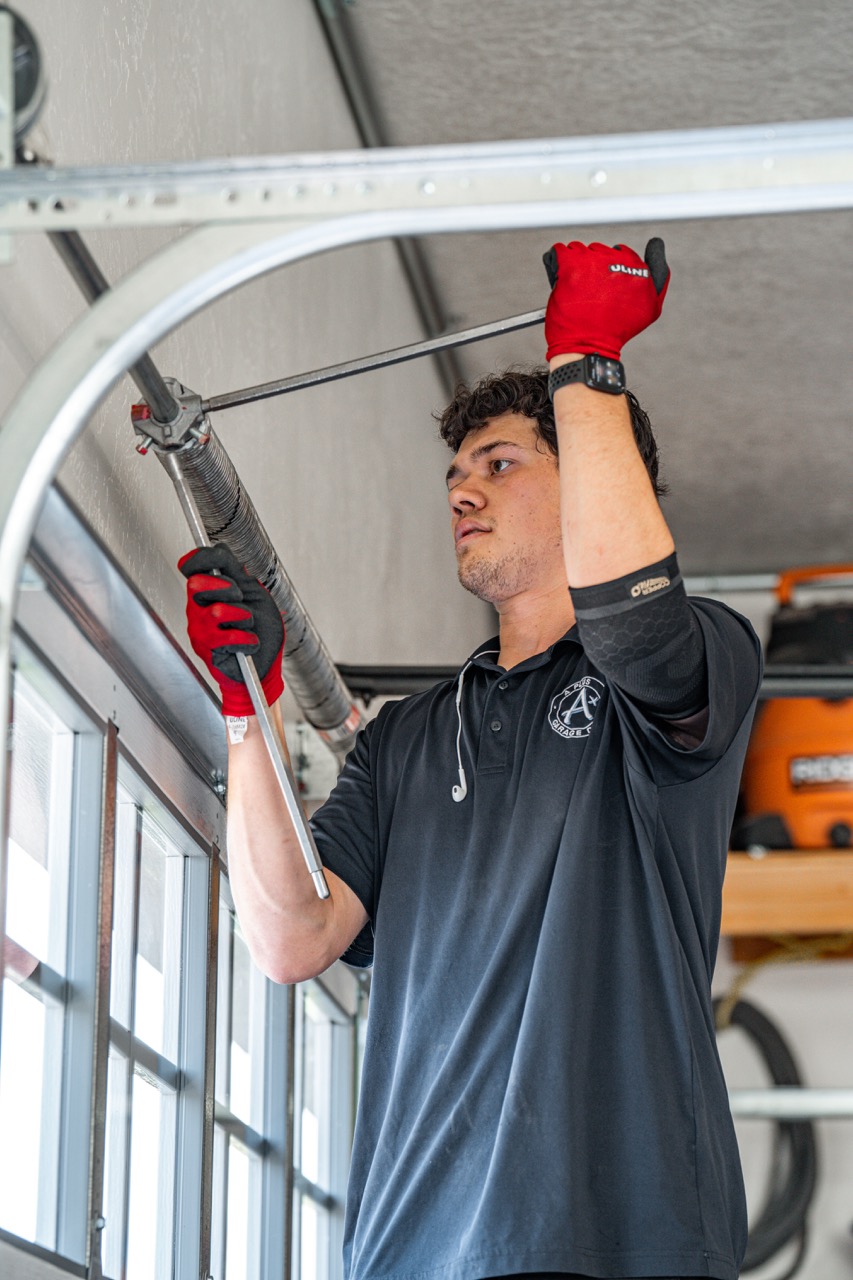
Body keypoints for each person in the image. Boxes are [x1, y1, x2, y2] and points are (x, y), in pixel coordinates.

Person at [180, 238, 763, 1280]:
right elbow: (290, 937)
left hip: (629, 1239)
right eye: (454, 473)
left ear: (583, 473)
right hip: (412, 1249)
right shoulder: (406, 735)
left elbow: (633, 628)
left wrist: (585, 363)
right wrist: (248, 711)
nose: (461, 492)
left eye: (498, 464)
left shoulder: (692, 660)